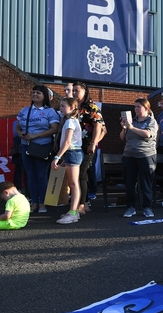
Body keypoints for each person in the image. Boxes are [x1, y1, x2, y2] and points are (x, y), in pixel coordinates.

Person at [15, 85, 60, 214]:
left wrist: (36, 135)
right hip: (26, 145)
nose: (34, 94)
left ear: (44, 96)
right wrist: (19, 133)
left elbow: (55, 129)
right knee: (30, 175)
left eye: (38, 93)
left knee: (41, 175)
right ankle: (34, 202)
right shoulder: (25, 110)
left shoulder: (50, 112)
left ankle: (42, 203)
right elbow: (18, 126)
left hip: (42, 146)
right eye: (33, 92)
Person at [121, 98, 158, 218]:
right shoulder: (131, 120)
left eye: (138, 107)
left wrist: (132, 128)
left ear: (146, 108)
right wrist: (124, 128)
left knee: (146, 182)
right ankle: (130, 207)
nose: (136, 109)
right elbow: (122, 138)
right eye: (135, 107)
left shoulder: (151, 121)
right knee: (129, 182)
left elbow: (147, 134)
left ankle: (147, 207)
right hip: (129, 155)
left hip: (145, 155)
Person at [70, 82, 104, 210]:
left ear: (85, 91)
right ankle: (79, 203)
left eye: (77, 90)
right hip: (74, 146)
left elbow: (99, 126)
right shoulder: (73, 107)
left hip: (87, 146)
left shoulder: (92, 107)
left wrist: (93, 143)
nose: (74, 93)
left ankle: (83, 204)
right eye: (73, 90)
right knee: (75, 176)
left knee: (82, 174)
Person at [52, 98, 84, 224]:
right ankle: (74, 212)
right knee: (73, 184)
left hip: (72, 153)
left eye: (63, 106)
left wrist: (57, 157)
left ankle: (73, 213)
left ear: (72, 108)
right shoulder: (71, 120)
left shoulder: (70, 121)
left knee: (74, 184)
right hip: (71, 153)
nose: (60, 108)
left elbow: (67, 142)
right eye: (60, 106)